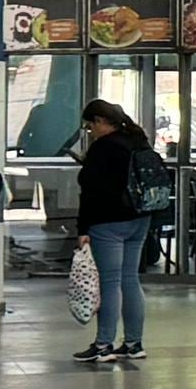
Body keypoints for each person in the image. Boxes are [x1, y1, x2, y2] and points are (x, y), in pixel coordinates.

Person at [71, 100, 161, 367]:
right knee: (130, 279)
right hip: (139, 218)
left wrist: (82, 228)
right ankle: (134, 344)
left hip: (107, 222)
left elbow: (90, 192)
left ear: (100, 121)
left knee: (109, 283)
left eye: (90, 127)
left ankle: (103, 345)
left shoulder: (103, 148)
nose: (91, 132)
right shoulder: (137, 141)